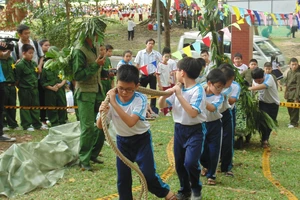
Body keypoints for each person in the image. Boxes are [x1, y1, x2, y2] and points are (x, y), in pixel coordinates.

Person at [97, 65, 177, 200]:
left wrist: (114, 104)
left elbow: (130, 122)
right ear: (116, 83)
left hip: (141, 140)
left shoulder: (140, 98)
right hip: (122, 142)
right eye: (121, 88)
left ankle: (167, 194)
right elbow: (100, 125)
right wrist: (102, 111)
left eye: (129, 89)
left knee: (148, 175)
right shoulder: (110, 100)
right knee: (123, 178)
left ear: (137, 86)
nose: (123, 92)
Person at [158, 57, 206, 200]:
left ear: (183, 72)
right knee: (179, 163)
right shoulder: (179, 88)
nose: (176, 72)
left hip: (195, 131)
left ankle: (196, 188)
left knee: (190, 162)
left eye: (177, 70)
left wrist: (178, 95)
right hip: (179, 130)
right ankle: (185, 190)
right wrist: (168, 93)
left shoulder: (198, 90)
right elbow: (162, 105)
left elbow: (192, 113)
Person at [72, 35, 106, 171]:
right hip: (85, 92)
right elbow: (77, 75)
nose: (99, 34)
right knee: (87, 127)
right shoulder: (79, 50)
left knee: (103, 122)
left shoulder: (96, 47)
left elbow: (98, 69)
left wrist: (104, 71)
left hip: (98, 90)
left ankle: (92, 154)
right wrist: (95, 65)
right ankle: (83, 160)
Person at [13, 24, 47, 128]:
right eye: (25, 33)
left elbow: (41, 57)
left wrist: (39, 66)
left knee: (36, 102)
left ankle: (37, 122)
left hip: (35, 77)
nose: (28, 35)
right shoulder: (16, 46)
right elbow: (14, 63)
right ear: (20, 34)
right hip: (24, 80)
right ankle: (27, 124)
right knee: (25, 105)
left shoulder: (35, 43)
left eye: (29, 33)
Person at [200, 69, 226, 186]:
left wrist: (201, 98)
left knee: (214, 150)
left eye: (222, 87)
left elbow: (212, 108)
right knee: (201, 150)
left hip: (214, 125)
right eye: (218, 87)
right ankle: (205, 165)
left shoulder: (219, 97)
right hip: (201, 124)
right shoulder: (199, 89)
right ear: (209, 83)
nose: (220, 90)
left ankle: (212, 174)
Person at [249, 68, 279, 148]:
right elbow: (254, 90)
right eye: (256, 81)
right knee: (263, 122)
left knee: (270, 122)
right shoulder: (254, 81)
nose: (258, 82)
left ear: (263, 76)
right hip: (262, 103)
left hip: (273, 103)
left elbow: (264, 86)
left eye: (259, 80)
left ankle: (266, 138)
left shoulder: (269, 77)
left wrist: (250, 88)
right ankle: (264, 139)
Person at [40, 46, 67, 127]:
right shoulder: (46, 67)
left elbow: (66, 76)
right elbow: (43, 81)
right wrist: (51, 88)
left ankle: (62, 121)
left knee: (62, 105)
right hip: (50, 91)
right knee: (51, 107)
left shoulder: (61, 65)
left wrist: (61, 84)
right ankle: (54, 122)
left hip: (60, 89)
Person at [218, 64, 236, 177]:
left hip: (225, 114)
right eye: (231, 80)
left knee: (227, 141)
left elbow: (230, 101)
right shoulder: (208, 86)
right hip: (212, 117)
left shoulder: (231, 88)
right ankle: (207, 166)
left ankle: (227, 167)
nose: (232, 82)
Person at [134, 38, 162, 109]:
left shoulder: (156, 54)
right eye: (149, 43)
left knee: (153, 92)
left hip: (152, 75)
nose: (151, 45)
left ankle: (153, 107)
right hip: (143, 75)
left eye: (152, 44)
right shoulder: (140, 53)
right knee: (140, 91)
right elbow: (136, 65)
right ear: (146, 44)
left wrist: (157, 71)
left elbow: (162, 63)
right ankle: (139, 105)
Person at [0, 42, 19, 131]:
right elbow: (4, 55)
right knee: (2, 106)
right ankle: (3, 124)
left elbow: (14, 71)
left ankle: (13, 123)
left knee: (12, 105)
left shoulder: (11, 59)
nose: (8, 52)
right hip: (3, 84)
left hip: (12, 85)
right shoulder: (1, 59)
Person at [284, 57, 300, 128]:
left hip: (295, 92)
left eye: (295, 64)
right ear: (289, 65)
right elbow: (287, 83)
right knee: (289, 107)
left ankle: (294, 123)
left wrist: (297, 98)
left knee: (295, 109)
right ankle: (292, 121)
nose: (294, 66)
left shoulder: (298, 74)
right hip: (289, 92)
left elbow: (298, 86)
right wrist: (285, 93)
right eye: (292, 64)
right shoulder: (289, 72)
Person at [156, 51, 172, 116]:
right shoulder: (160, 65)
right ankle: (165, 111)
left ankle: (163, 109)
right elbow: (157, 75)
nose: (167, 58)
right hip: (162, 84)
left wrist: (170, 80)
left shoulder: (168, 65)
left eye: (168, 57)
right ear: (162, 57)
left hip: (167, 83)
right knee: (163, 97)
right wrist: (159, 84)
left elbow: (169, 73)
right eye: (165, 56)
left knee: (167, 96)